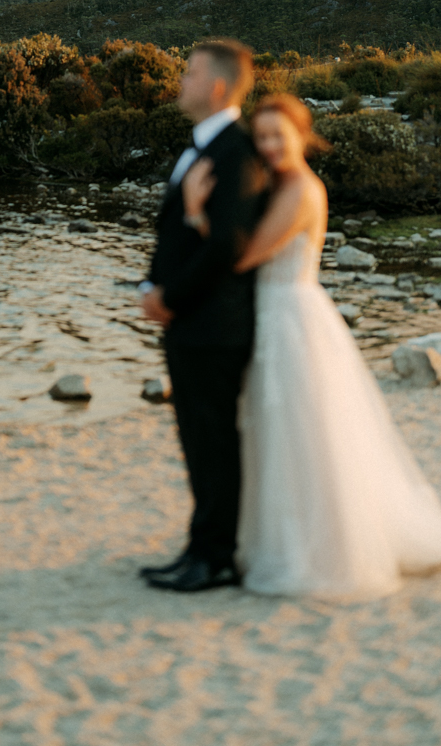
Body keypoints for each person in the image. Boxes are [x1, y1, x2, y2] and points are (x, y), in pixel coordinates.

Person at [180, 91, 441, 597]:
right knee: (276, 430)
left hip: (290, 316)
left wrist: (195, 214)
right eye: (261, 136)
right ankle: (274, 539)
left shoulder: (299, 191)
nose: (268, 145)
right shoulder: (280, 183)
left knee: (301, 430)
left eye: (278, 135)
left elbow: (244, 258)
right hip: (276, 313)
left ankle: (315, 548)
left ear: (302, 137)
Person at [139, 39, 263, 592]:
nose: (180, 82)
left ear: (216, 86)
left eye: (188, 73)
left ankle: (213, 556)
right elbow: (177, 234)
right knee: (196, 438)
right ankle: (197, 545)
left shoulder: (238, 152)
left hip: (213, 324)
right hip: (193, 321)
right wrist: (150, 282)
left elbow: (227, 247)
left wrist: (170, 298)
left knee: (213, 442)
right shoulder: (201, 147)